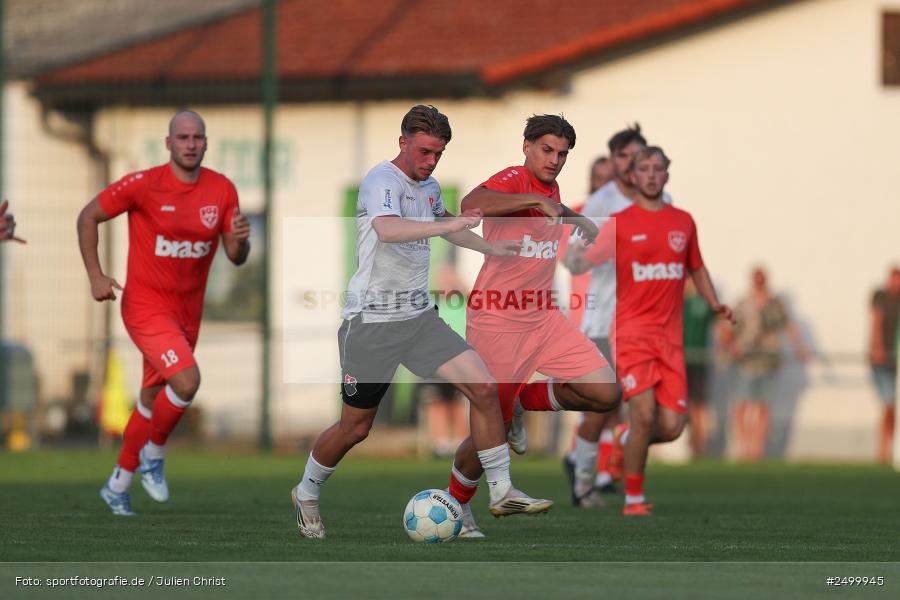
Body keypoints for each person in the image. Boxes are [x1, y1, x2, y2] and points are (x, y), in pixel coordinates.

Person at [290, 105, 552, 540]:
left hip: (417, 319)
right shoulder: (381, 182)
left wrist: (492, 250)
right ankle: (307, 490)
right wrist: (446, 225)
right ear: (403, 142)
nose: (431, 162)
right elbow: (390, 230)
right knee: (355, 428)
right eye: (425, 151)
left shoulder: (428, 186)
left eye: (439, 154)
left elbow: (448, 226)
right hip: (371, 323)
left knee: (485, 387)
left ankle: (501, 490)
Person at [446, 114, 619, 537]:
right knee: (493, 426)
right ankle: (455, 504)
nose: (554, 160)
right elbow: (472, 203)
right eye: (546, 150)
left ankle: (525, 398)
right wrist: (538, 205)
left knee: (605, 391)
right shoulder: (513, 178)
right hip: (498, 318)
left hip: (542, 316)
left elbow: (552, 205)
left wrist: (576, 218)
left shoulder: (551, 189)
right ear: (526, 146)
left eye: (562, 154)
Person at [77, 110, 251, 516]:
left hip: (187, 314)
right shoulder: (144, 184)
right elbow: (89, 216)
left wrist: (242, 241)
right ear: (168, 143)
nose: (190, 144)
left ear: (206, 143)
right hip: (145, 306)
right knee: (187, 381)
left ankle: (117, 484)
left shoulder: (222, 190)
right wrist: (96, 275)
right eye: (183, 137)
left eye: (197, 137)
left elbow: (235, 256)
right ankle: (154, 454)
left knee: (152, 399)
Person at [568, 146, 734, 516]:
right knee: (641, 413)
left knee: (673, 426)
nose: (651, 175)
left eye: (658, 168)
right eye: (644, 168)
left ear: (667, 176)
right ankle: (633, 499)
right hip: (631, 335)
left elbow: (697, 267)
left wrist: (715, 303)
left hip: (670, 341)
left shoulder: (683, 222)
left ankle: (626, 441)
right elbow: (583, 259)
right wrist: (573, 253)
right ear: (633, 175)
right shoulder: (619, 222)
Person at [562, 124, 673, 505]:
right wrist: (588, 254)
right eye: (623, 156)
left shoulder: (664, 199)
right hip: (604, 322)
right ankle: (583, 483)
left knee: (651, 411)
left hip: (646, 325)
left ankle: (619, 478)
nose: (631, 163)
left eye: (637, 156)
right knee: (602, 404)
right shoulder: (601, 203)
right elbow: (574, 260)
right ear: (614, 161)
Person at [726, 267, 809, 461]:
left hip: (768, 362)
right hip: (746, 363)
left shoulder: (775, 304)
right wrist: (731, 348)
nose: (759, 282)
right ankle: (743, 449)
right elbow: (727, 329)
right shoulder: (743, 304)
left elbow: (789, 326)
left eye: (761, 279)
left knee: (763, 407)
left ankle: (757, 450)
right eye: (756, 279)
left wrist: (800, 348)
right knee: (742, 406)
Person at [869, 266, 900, 463]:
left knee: (892, 405)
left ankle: (889, 448)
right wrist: (878, 347)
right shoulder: (880, 296)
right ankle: (883, 449)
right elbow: (876, 321)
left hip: (896, 359)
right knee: (889, 403)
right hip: (883, 360)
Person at [683, 277, 717, 457]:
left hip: (698, 359)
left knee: (698, 403)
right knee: (682, 402)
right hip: (679, 359)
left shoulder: (703, 302)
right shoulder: (675, 301)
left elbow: (720, 326)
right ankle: (685, 440)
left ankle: (699, 442)